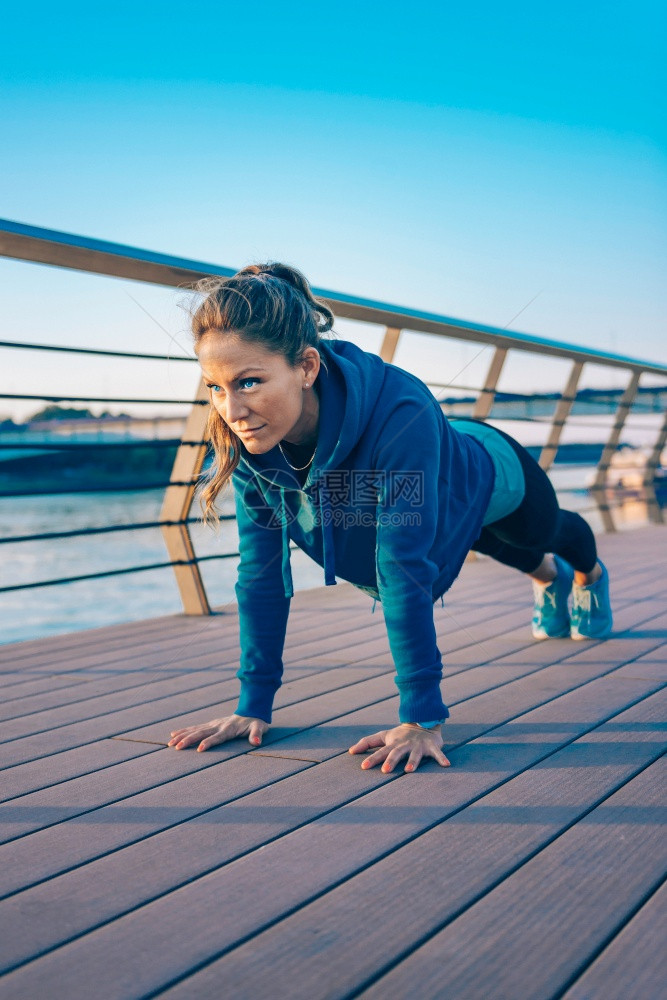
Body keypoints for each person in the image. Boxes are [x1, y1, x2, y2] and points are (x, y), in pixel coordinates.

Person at [168, 263, 613, 773]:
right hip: (441, 494)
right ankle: (548, 580)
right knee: (482, 541)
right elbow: (261, 574)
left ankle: (586, 576)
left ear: (307, 367)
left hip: (486, 472)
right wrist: (252, 705)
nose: (232, 409)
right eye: (215, 387)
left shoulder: (400, 408)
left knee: (539, 530)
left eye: (249, 382)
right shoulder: (247, 442)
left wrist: (422, 718)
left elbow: (400, 565)